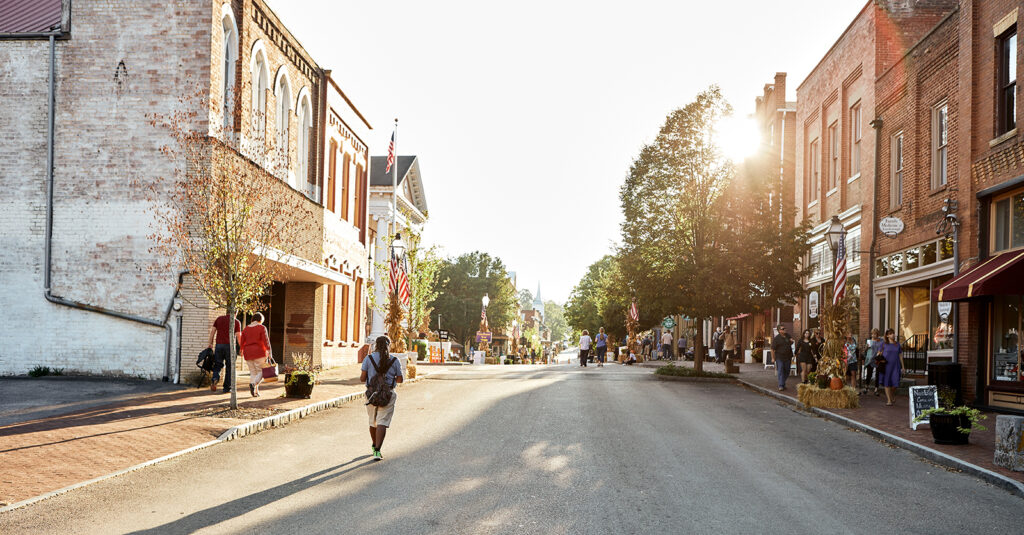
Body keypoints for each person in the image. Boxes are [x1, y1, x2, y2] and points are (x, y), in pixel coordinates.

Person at [361, 336, 404, 460]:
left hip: (371, 394)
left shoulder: (368, 359)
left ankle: (374, 445)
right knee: (382, 422)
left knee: (372, 421)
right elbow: (400, 379)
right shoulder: (395, 360)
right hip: (388, 394)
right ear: (388, 346)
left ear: (376, 345)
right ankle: (378, 451)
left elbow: (362, 378)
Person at [239, 313, 273, 397]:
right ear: (261, 320)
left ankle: (255, 392)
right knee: (261, 372)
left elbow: (242, 341)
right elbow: (266, 341)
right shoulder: (262, 328)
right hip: (259, 352)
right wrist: (269, 351)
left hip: (248, 352)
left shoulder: (246, 329)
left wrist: (241, 350)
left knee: (253, 373)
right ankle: (253, 384)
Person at [206, 312, 241, 393]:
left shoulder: (219, 319)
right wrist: (241, 347)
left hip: (219, 346)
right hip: (230, 347)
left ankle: (215, 379)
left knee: (218, 365)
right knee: (230, 367)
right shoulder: (236, 321)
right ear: (235, 313)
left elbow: (213, 332)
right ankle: (226, 388)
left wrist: (210, 343)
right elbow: (238, 336)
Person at [879, 328, 902, 406]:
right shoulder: (883, 344)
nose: (893, 335)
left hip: (896, 365)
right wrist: (879, 359)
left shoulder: (897, 344)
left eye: (893, 333)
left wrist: (903, 366)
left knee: (895, 383)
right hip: (886, 366)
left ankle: (892, 394)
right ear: (887, 335)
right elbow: (879, 354)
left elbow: (900, 355)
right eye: (891, 333)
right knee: (887, 382)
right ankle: (889, 400)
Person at [771, 324, 794, 391]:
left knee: (787, 371)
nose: (785, 329)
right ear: (779, 331)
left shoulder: (788, 335)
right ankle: (781, 385)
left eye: (785, 328)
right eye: (783, 329)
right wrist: (773, 358)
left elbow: (791, 341)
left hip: (788, 356)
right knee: (780, 370)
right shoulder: (776, 339)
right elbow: (772, 349)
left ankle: (782, 383)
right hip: (779, 357)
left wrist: (792, 341)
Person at [861, 329, 881, 395]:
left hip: (877, 359)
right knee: (869, 373)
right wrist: (866, 347)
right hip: (870, 359)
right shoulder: (869, 341)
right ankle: (866, 387)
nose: (873, 335)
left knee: (877, 374)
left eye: (875, 334)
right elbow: (866, 350)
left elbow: (880, 350)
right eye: (872, 334)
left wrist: (878, 356)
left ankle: (876, 389)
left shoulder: (880, 341)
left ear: (877, 335)